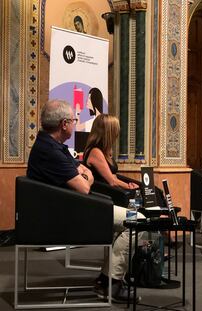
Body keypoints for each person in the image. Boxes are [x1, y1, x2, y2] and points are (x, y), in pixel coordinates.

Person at [27, 99, 140, 303]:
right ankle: (111, 283)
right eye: (73, 119)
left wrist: (83, 172)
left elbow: (85, 173)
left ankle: (107, 280)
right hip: (66, 216)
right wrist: (84, 173)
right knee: (138, 221)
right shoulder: (51, 151)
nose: (75, 122)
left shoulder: (52, 145)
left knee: (130, 220)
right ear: (64, 124)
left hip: (74, 208)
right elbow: (84, 186)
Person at [83, 114, 138, 190]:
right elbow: (112, 181)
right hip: (103, 193)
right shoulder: (95, 152)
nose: (117, 134)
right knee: (141, 191)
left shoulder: (105, 151)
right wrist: (129, 186)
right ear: (109, 133)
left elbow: (113, 177)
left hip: (110, 189)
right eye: (115, 130)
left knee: (150, 190)